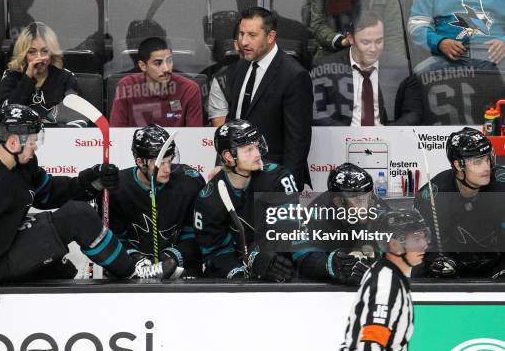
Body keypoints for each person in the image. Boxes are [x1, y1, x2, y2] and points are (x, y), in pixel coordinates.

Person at [0, 105, 172, 310]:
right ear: (13, 142)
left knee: (64, 270)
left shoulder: (22, 165)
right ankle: (134, 270)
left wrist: (90, 181)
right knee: (77, 215)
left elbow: (49, 192)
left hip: (5, 241)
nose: (35, 147)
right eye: (32, 141)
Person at [194, 119, 298, 280]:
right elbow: (215, 252)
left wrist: (257, 255)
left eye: (256, 146)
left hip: (276, 266)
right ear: (229, 156)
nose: (257, 154)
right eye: (248, 150)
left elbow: (288, 230)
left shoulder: (278, 179)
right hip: (237, 276)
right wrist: (238, 274)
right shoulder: (209, 199)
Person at [226, 7, 313, 189]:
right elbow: (232, 123)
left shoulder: (294, 76)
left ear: (271, 36)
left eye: (252, 35)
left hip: (273, 179)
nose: (244, 41)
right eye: (241, 34)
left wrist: (287, 188)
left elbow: (297, 142)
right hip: (237, 175)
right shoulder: (241, 67)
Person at [107, 124, 206, 277]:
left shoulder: (190, 181)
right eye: (161, 163)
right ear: (140, 162)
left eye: (170, 160)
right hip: (134, 271)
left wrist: (173, 256)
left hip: (182, 268)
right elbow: (115, 238)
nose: (167, 169)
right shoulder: (118, 188)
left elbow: (197, 234)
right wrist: (134, 257)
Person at [414, 127, 505, 278]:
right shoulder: (432, 196)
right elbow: (423, 245)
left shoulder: (502, 183)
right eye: (478, 162)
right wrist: (437, 261)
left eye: (488, 159)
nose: (486, 167)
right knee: (419, 272)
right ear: (458, 165)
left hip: (499, 264)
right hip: (454, 267)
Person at [340, 209, 430, 351]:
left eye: (425, 237)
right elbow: (370, 344)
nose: (424, 244)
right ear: (395, 244)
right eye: (417, 239)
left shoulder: (391, 276)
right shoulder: (386, 284)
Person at [312, 11, 422, 125]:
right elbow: (316, 111)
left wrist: (389, 134)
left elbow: (413, 113)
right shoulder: (326, 68)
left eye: (379, 41)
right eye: (366, 42)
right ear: (350, 38)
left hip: (387, 138)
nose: (373, 49)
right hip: (341, 139)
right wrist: (344, 134)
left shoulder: (401, 68)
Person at [294, 163, 391, 285]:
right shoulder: (314, 213)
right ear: (338, 202)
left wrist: (379, 263)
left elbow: (400, 252)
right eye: (359, 200)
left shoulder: (380, 209)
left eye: (368, 196)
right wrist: (329, 265)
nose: (366, 206)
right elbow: (301, 256)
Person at [408, 0, 505, 72]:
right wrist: (440, 43)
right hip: (445, 59)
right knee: (418, 77)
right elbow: (417, 24)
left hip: (497, 59)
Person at [310, 0, 406, 61]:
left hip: (374, 56)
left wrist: (394, 66)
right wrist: (341, 41)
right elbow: (318, 24)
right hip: (334, 54)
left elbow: (394, 33)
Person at [1, 22, 86, 126]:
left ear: (52, 52)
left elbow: (79, 119)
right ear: (23, 54)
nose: (39, 58)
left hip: (59, 138)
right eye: (32, 52)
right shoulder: (12, 76)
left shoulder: (66, 78)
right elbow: (5, 115)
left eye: (45, 51)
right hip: (20, 137)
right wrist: (27, 78)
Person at [110, 37, 203, 127]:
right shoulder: (126, 86)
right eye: (158, 63)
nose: (166, 69)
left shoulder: (189, 89)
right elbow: (117, 134)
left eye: (169, 61)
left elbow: (194, 137)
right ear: (143, 66)